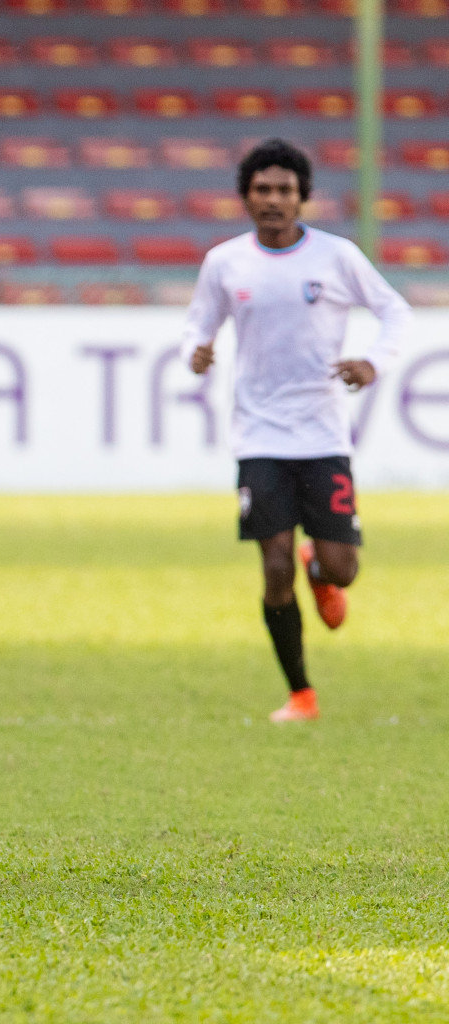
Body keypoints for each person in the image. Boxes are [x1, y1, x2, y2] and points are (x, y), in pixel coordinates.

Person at [180, 138, 411, 724]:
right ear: (246, 197)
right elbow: (196, 326)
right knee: (272, 564)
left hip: (324, 435)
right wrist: (197, 352)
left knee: (342, 570)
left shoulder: (335, 257)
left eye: (285, 189)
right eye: (263, 189)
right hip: (258, 437)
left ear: (303, 197)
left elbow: (395, 311)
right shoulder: (225, 262)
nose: (274, 199)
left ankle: (319, 566)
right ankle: (301, 695)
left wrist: (373, 362)